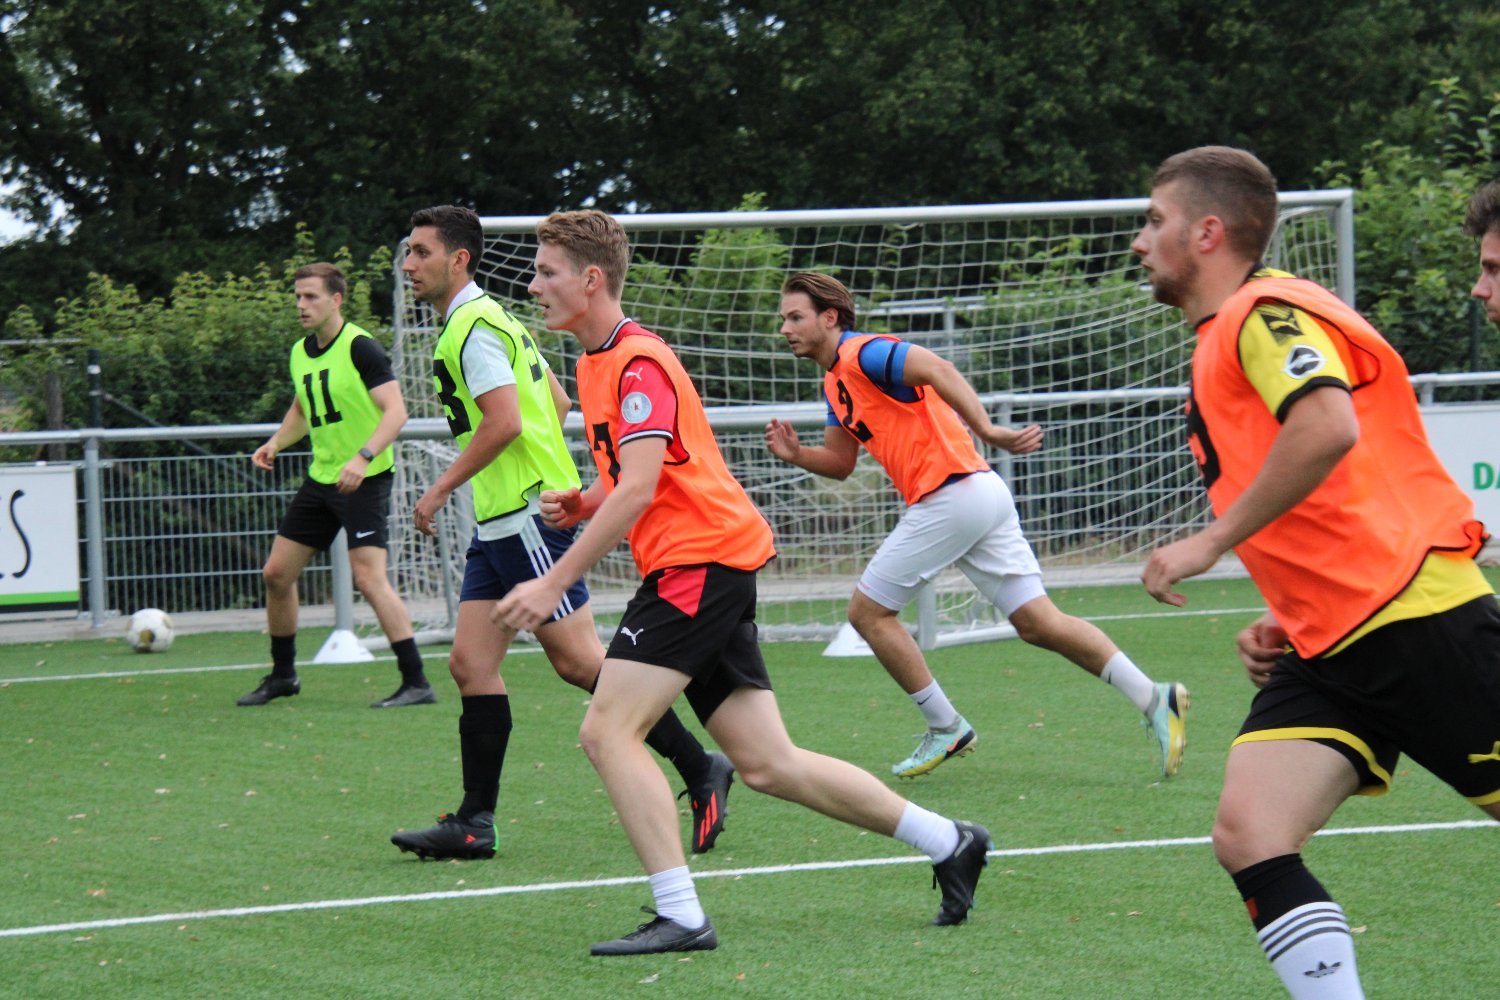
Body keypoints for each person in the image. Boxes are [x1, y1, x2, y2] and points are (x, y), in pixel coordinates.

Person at [494, 209, 993, 957]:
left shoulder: (638, 362)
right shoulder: (596, 362)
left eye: (546, 272)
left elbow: (642, 487)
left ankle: (682, 915)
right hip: (706, 563)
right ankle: (950, 840)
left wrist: (554, 580)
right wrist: (586, 501)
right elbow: (638, 474)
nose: (534, 286)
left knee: (607, 732)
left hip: (698, 564)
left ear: (591, 280)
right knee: (766, 763)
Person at [1137, 147, 1500, 999]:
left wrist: (1209, 542)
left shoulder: (1262, 313)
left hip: (1416, 622)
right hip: (1334, 639)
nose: (1140, 241)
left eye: (1155, 221)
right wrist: (1294, 606)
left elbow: (1328, 426)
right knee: (1251, 833)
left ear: (1208, 232)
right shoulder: (1230, 330)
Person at [389, 205, 734, 861]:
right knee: (470, 664)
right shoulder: (493, 318)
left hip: (525, 515)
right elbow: (557, 401)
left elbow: (505, 422)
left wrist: (440, 487)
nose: (409, 265)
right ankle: (474, 822)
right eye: (408, 252)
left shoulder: (472, 327)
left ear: (459, 259)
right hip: (503, 517)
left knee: (578, 661)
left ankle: (700, 767)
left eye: (421, 252)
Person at [764, 271, 1189, 778]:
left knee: (868, 614)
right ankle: (1155, 697)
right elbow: (840, 463)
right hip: (977, 494)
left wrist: (987, 428)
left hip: (952, 495)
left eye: (795, 317)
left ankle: (945, 726)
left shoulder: (865, 353)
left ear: (829, 317)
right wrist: (797, 455)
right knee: (1038, 623)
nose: (785, 329)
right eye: (784, 319)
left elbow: (938, 367)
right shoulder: (834, 382)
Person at [240, 262, 434, 709]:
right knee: (276, 574)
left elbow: (396, 412)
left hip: (366, 478)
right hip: (322, 478)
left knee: (368, 578)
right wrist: (275, 442)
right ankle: (283, 676)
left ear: (336, 300)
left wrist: (363, 458)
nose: (301, 305)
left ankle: (417, 681)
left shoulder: (361, 347)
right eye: (297, 297)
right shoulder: (300, 352)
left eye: (311, 296)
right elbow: (303, 408)